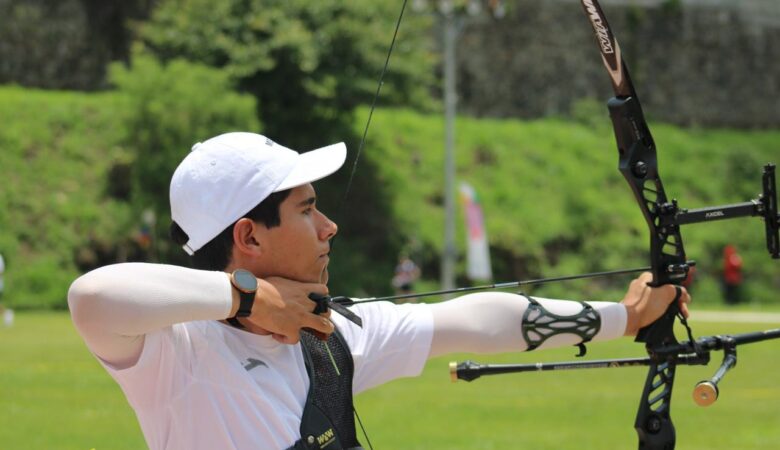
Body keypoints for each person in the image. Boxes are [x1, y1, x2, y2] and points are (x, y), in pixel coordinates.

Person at [67, 132, 691, 450]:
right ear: (249, 238)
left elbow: (473, 320)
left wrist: (622, 316)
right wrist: (249, 299)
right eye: (308, 209)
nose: (329, 226)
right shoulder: (179, 353)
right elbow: (93, 297)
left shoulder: (329, 336)